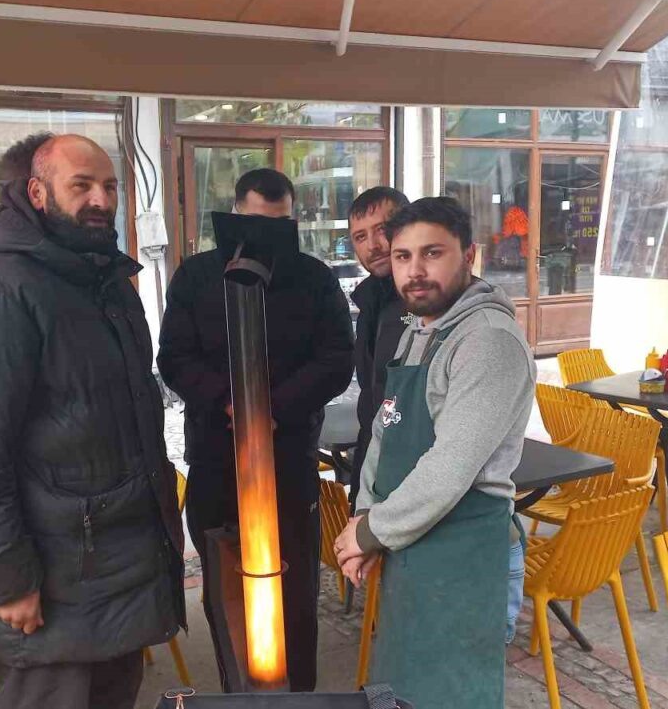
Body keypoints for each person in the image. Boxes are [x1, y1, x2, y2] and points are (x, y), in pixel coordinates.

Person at [0, 133, 184, 709]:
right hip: (53, 588)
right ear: (37, 192)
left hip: (117, 575)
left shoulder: (106, 282)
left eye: (110, 186)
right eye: (82, 185)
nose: (101, 199)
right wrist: (6, 579)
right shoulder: (0, 288)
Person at [158, 168, 353, 692]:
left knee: (296, 586)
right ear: (234, 214)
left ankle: (300, 694)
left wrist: (272, 410)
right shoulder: (196, 276)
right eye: (255, 222)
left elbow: (337, 358)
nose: (266, 235)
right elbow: (174, 356)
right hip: (216, 458)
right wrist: (230, 403)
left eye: (279, 224)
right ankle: (236, 693)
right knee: (225, 585)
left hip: (287, 457)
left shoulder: (314, 278)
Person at [335, 196, 536, 707]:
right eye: (403, 256)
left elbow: (450, 468)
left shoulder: (487, 341)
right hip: (413, 544)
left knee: (451, 695)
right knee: (404, 690)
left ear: (468, 255)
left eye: (432, 253)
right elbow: (384, 429)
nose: (415, 271)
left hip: (464, 556)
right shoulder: (418, 330)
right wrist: (367, 514)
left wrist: (372, 531)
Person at [347, 187, 410, 504]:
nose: (373, 245)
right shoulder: (370, 301)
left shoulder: (428, 301)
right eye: (360, 236)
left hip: (414, 475)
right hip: (372, 462)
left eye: (382, 230)